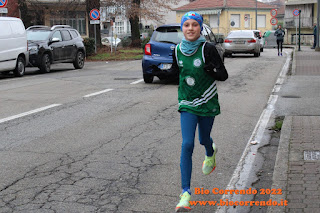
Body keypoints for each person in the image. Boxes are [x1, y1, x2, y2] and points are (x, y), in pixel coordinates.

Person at [171, 11, 228, 212]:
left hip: (207, 102)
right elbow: (176, 72)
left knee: (203, 139)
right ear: (182, 28)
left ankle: (210, 150)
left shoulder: (209, 49)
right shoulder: (177, 50)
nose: (190, 28)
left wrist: (211, 70)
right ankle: (185, 193)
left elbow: (223, 75)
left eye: (194, 25)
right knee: (187, 144)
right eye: (187, 25)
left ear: (200, 27)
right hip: (187, 102)